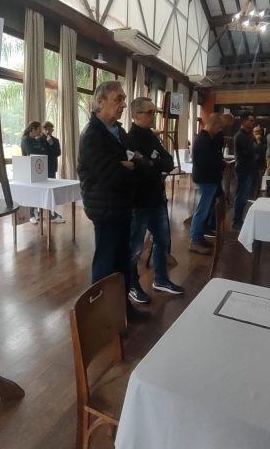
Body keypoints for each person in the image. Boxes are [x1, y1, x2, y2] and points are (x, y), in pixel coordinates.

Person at [77, 81, 146, 320]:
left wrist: (128, 166)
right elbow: (111, 176)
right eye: (118, 99)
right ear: (100, 102)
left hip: (123, 207)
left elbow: (138, 164)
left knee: (122, 262)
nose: (123, 104)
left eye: (124, 99)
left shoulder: (120, 132)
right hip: (105, 209)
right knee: (106, 264)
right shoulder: (92, 136)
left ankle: (123, 309)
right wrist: (128, 167)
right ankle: (102, 318)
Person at [125, 97, 184, 303]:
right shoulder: (129, 139)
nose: (153, 116)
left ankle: (160, 279)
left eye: (154, 112)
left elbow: (168, 162)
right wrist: (151, 164)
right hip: (139, 200)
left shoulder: (151, 137)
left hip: (156, 198)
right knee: (135, 248)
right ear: (136, 115)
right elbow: (145, 169)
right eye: (149, 112)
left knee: (162, 240)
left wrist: (148, 161)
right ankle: (131, 284)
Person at [189, 113, 225, 254]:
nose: (220, 130)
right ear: (212, 124)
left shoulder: (208, 139)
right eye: (219, 127)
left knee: (204, 211)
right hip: (205, 180)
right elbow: (207, 162)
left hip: (209, 179)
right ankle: (194, 241)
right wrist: (221, 164)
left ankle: (199, 236)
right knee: (201, 211)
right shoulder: (203, 141)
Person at [232, 110, 256, 230]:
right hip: (242, 169)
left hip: (248, 168)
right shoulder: (240, 136)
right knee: (241, 195)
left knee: (244, 195)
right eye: (251, 120)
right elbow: (251, 152)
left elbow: (254, 151)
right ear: (244, 121)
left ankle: (239, 219)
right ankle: (236, 221)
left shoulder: (248, 135)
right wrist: (255, 149)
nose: (253, 123)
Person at [20, 121, 48, 224]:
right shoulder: (25, 140)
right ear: (33, 129)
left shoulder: (36, 140)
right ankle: (31, 213)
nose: (40, 132)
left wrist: (40, 149)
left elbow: (44, 151)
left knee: (38, 191)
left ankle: (36, 211)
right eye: (39, 129)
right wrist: (40, 149)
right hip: (29, 170)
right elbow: (32, 152)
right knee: (32, 192)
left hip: (38, 169)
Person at [42, 121, 64, 223]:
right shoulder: (39, 139)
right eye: (47, 129)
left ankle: (52, 213)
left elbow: (57, 153)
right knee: (42, 191)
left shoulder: (55, 140)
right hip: (41, 168)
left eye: (51, 129)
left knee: (51, 191)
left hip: (51, 168)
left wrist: (51, 143)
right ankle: (39, 212)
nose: (49, 131)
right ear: (43, 129)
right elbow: (42, 152)